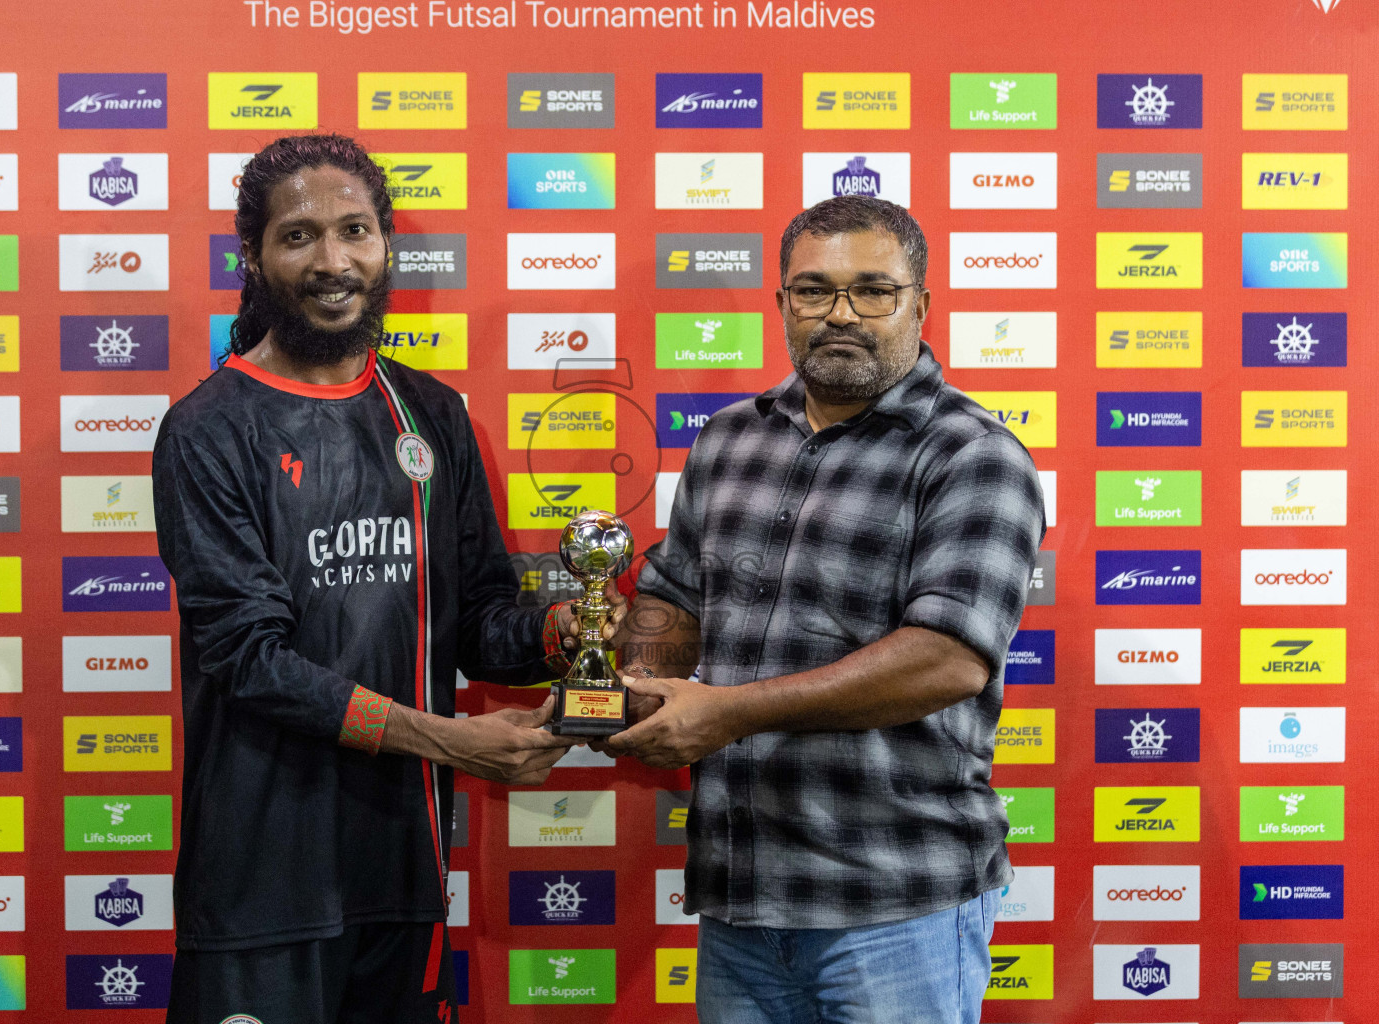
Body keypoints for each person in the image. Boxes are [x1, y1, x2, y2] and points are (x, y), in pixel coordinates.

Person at [153, 134, 615, 1024]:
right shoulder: (208, 429)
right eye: (299, 236)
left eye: (355, 231)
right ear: (252, 256)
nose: (333, 261)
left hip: (405, 866)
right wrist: (447, 740)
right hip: (262, 878)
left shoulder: (432, 413)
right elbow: (249, 660)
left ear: (387, 245)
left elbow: (477, 617)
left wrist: (567, 633)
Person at [608, 196, 1046, 1023]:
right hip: (742, 896)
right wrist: (617, 682)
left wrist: (726, 714)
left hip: (895, 904)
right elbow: (671, 601)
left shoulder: (974, 455)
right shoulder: (729, 439)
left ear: (921, 304)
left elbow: (946, 657)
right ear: (781, 305)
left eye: (873, 291)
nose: (840, 314)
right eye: (814, 291)